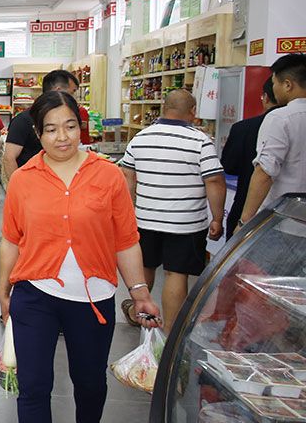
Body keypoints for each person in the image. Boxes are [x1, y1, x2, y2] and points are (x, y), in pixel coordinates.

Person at [0, 91, 160, 423]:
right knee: (34, 385)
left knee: (89, 379)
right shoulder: (24, 179)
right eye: (51, 129)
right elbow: (11, 238)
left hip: (93, 297)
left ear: (80, 128)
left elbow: (126, 240)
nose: (62, 137)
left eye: (70, 126)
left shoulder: (108, 176)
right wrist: (3, 288)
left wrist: (139, 292)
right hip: (35, 293)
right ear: (38, 134)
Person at [119, 89, 225, 332]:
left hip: (145, 219)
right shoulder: (200, 141)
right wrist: (217, 218)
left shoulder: (140, 138)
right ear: (193, 112)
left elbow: (127, 177)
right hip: (185, 223)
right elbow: (214, 181)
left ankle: (140, 316)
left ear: (164, 108)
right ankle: (169, 333)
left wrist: (130, 212)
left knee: (144, 268)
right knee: (176, 273)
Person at [241, 53, 306, 225]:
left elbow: (265, 172)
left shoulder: (280, 118)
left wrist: (245, 221)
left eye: (274, 83)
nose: (273, 88)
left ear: (287, 85)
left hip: (285, 219)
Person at [221, 78, 279, 239]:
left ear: (265, 97)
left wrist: (242, 222)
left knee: (239, 252)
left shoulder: (243, 128)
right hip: (288, 211)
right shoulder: (298, 122)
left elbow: (229, 166)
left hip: (246, 204)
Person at [3, 70, 87, 179]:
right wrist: (17, 186)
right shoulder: (23, 120)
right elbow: (9, 158)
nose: (62, 137)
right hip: (32, 182)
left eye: (70, 127)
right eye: (73, 92)